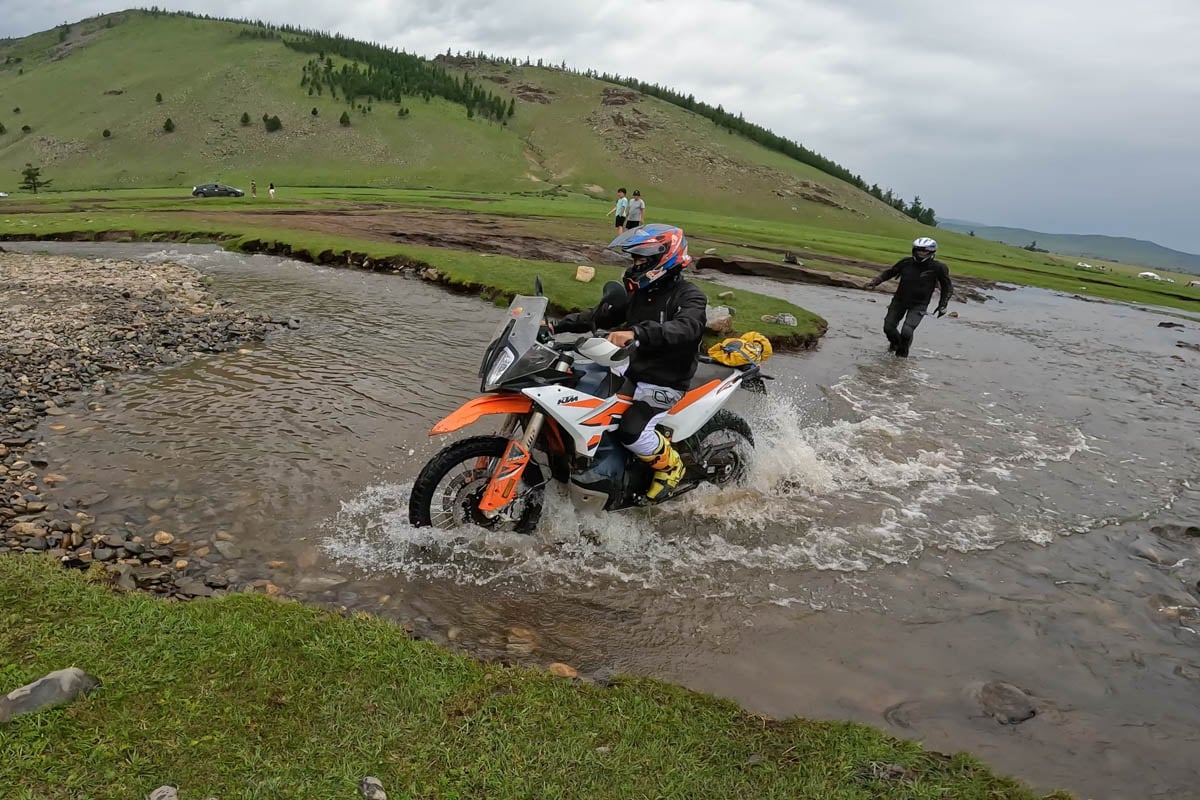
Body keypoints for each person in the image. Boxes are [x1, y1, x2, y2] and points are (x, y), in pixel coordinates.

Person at [554, 224, 705, 500]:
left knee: (632, 431)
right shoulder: (640, 294)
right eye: (634, 259)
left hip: (666, 378)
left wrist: (637, 332)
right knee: (576, 386)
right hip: (633, 367)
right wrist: (555, 326)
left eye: (641, 259)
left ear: (663, 258)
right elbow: (597, 317)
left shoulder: (689, 296)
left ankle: (671, 467)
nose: (635, 264)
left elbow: (687, 327)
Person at [864, 236, 952, 357]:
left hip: (919, 304)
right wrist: (876, 281)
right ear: (914, 250)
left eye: (924, 251)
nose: (921, 253)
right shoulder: (906, 262)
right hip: (899, 301)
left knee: (907, 331)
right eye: (918, 250)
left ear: (931, 252)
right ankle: (895, 345)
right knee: (888, 327)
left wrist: (943, 305)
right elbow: (890, 272)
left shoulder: (939, 268)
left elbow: (947, 287)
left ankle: (900, 360)